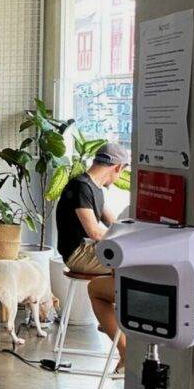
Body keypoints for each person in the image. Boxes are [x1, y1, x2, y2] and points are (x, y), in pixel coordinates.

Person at [54, 141, 130, 371]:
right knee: (132, 269)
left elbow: (114, 225)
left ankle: (111, 319)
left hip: (87, 251)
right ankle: (117, 329)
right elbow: (95, 232)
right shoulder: (81, 187)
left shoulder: (94, 188)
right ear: (118, 167)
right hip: (78, 254)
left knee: (128, 269)